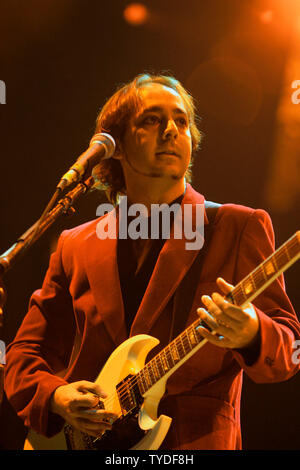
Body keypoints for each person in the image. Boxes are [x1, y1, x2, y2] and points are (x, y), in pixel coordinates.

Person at [4, 73, 300, 450]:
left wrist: (253, 332)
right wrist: (56, 397)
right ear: (117, 146)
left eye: (181, 121)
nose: (172, 130)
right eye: (151, 120)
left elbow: (291, 348)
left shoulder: (236, 227)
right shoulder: (75, 244)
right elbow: (25, 352)